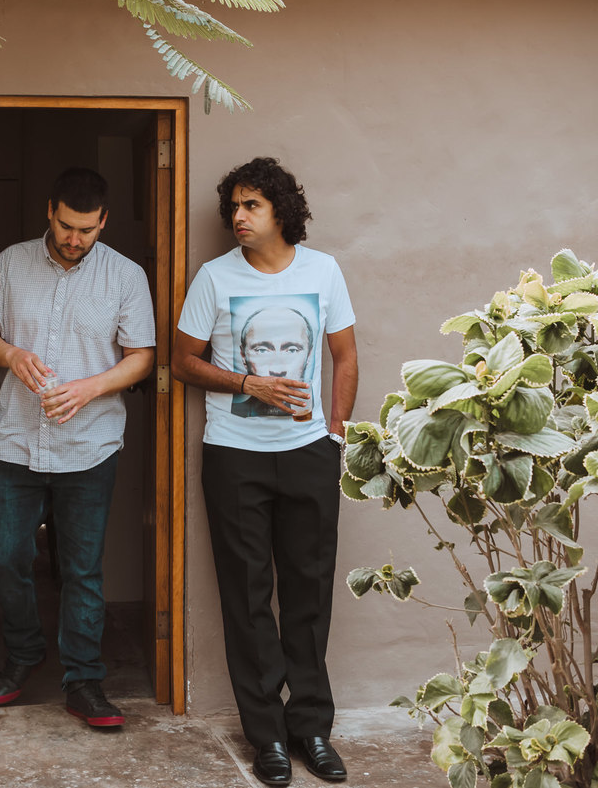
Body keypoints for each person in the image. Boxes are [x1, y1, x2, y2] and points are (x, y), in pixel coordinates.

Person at [171, 157, 358, 786]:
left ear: (282, 209)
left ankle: (311, 727)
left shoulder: (323, 270)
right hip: (233, 454)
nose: (238, 218)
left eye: (251, 206)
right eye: (233, 207)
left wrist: (334, 433)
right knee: (246, 595)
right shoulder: (214, 278)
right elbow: (182, 362)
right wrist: (246, 380)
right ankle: (268, 736)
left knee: (308, 591)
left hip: (309, 453)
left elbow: (344, 353)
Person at [0, 167, 155, 728]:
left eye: (88, 230)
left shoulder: (125, 276)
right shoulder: (10, 262)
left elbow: (142, 355)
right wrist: (11, 356)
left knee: (82, 570)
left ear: (104, 222)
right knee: (5, 559)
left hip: (89, 446)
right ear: (50, 211)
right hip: (15, 442)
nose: (76, 239)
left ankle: (84, 680)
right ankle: (25, 652)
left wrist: (90, 387)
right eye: (68, 226)